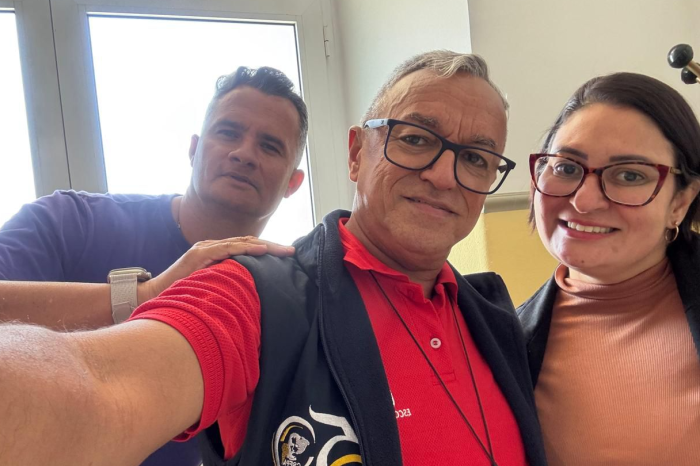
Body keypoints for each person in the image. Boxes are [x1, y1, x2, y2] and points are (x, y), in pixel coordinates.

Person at [0, 51, 547, 466]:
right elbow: (97, 389)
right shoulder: (255, 295)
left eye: (477, 158)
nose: (444, 175)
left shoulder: (500, 321)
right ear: (357, 154)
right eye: (416, 138)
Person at [0, 66, 307, 466]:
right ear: (194, 149)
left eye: (269, 146)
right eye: (229, 132)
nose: (244, 154)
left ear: (293, 183)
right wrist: (145, 294)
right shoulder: (66, 222)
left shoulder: (288, 298)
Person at [518, 72, 700, 465]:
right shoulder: (504, 342)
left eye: (630, 175)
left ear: (680, 202)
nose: (583, 201)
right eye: (566, 167)